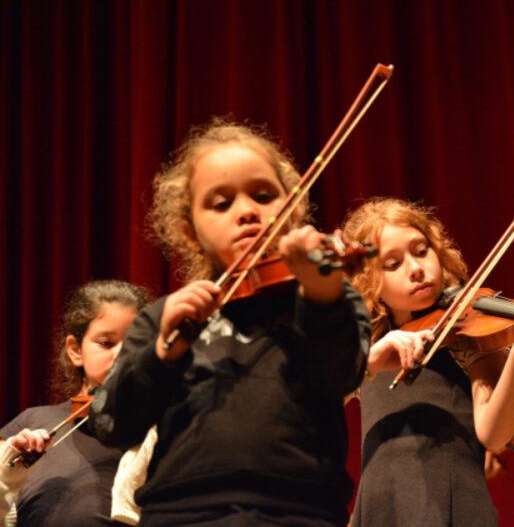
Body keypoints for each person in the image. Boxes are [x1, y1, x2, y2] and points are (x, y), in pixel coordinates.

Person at [86, 119, 371, 526]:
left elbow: (338, 375)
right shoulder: (163, 318)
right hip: (181, 514)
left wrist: (322, 297)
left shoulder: (328, 297)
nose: (247, 212)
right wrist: (162, 353)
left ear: (292, 208)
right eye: (221, 204)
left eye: (263, 195)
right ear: (189, 232)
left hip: (300, 511)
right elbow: (110, 422)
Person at [341, 197, 514, 526]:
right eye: (393, 264)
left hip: (452, 502)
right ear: (369, 281)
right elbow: (313, 402)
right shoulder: (365, 346)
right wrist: (370, 362)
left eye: (421, 250)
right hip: (380, 507)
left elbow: (495, 434)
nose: (416, 269)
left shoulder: (466, 334)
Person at [0, 280, 150, 526]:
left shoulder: (156, 431)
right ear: (75, 349)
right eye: (106, 343)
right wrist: (5, 474)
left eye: (136, 343)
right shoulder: (32, 421)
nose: (123, 354)